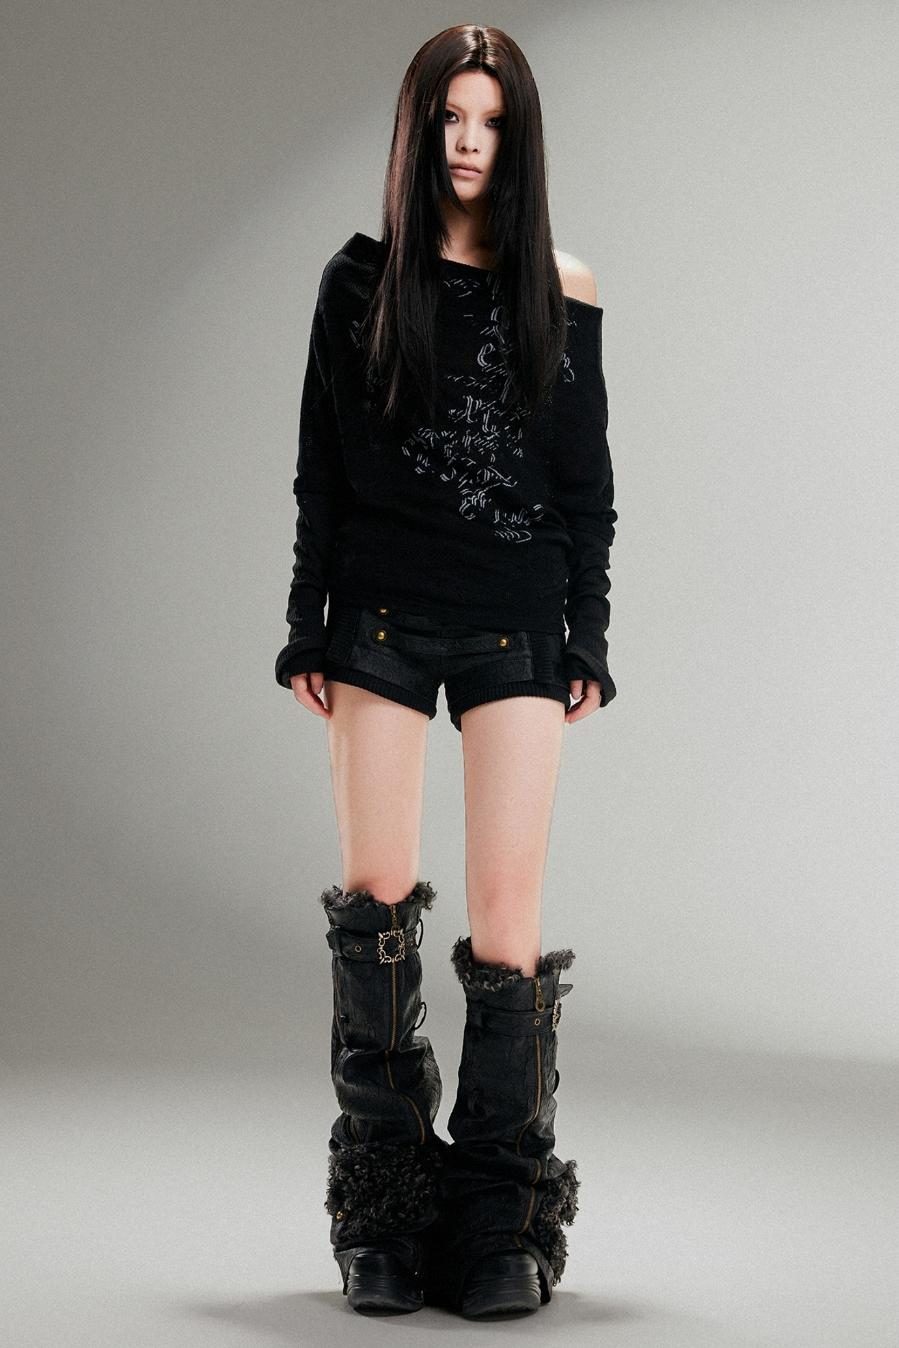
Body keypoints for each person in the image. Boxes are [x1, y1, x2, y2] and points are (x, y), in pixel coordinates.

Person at [274, 24, 619, 1320]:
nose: (470, 144)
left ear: (519, 142)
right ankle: (380, 1212)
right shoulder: (357, 283)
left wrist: (587, 635)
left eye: (493, 123)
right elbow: (320, 467)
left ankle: (496, 1221)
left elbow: (584, 487)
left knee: (507, 930)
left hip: (514, 624)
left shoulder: (563, 287)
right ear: (416, 133)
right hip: (377, 615)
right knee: (374, 912)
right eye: (450, 120)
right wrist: (305, 623)